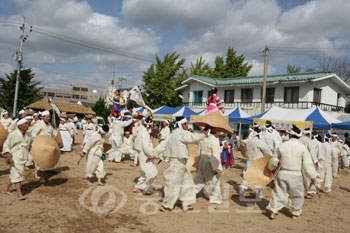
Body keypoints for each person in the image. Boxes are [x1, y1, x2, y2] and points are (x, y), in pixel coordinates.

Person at [266, 124, 318, 220]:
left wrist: (270, 168)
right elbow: (307, 165)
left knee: (278, 193)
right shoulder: (302, 148)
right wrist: (313, 177)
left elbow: (274, 161)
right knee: (297, 195)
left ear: (289, 135)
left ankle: (273, 211)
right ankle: (295, 213)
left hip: (282, 173)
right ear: (299, 136)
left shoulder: (282, 146)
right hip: (296, 175)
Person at [159, 116, 207, 212]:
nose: (187, 125)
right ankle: (167, 205)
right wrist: (205, 131)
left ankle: (186, 203)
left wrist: (153, 154)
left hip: (178, 162)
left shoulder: (172, 134)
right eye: (186, 124)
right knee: (174, 183)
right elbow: (194, 137)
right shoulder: (181, 133)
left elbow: (163, 145)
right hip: (178, 162)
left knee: (187, 182)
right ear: (182, 124)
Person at [1, 118, 31, 200]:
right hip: (14, 157)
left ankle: (5, 189)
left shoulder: (28, 135)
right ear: (20, 126)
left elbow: (30, 145)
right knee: (17, 174)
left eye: (28, 124)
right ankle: (19, 194)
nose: (27, 126)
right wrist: (8, 155)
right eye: (25, 124)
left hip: (23, 157)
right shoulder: (13, 134)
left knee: (16, 174)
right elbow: (6, 145)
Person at [239, 128, 271, 199]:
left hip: (249, 161)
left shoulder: (248, 141)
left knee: (246, 178)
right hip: (258, 163)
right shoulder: (260, 142)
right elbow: (267, 152)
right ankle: (258, 195)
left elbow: (243, 145)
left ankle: (242, 190)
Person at [194, 129, 223, 204]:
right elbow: (215, 155)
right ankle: (215, 199)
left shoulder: (205, 139)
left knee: (198, 180)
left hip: (202, 162)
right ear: (216, 132)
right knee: (214, 181)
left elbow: (198, 153)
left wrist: (196, 162)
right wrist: (218, 168)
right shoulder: (215, 141)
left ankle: (189, 194)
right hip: (210, 163)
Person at [133, 116, 158, 195]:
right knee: (153, 172)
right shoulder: (145, 133)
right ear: (150, 125)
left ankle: (138, 186)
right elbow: (145, 147)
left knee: (144, 173)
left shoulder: (141, 131)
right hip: (145, 155)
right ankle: (143, 187)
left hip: (142, 154)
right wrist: (151, 155)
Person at [30, 110, 54, 183]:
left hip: (46, 146)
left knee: (44, 161)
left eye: (49, 117)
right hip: (39, 145)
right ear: (43, 117)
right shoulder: (38, 124)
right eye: (47, 117)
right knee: (41, 161)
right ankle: (41, 177)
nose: (48, 118)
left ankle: (36, 172)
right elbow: (33, 135)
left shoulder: (50, 125)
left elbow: (51, 136)